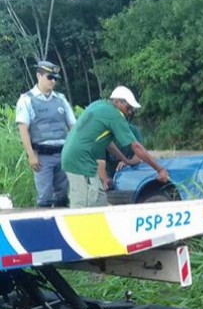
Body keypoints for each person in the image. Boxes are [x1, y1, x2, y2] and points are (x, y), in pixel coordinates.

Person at [61, 86, 169, 208]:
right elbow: (136, 146)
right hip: (80, 160)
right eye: (128, 107)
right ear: (117, 101)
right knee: (85, 204)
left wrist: (125, 160)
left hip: (75, 156)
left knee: (100, 200)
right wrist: (159, 169)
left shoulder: (98, 105)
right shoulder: (115, 115)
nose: (130, 112)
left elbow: (107, 143)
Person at [15, 60, 77, 208]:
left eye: (55, 78)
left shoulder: (60, 99)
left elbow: (73, 126)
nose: (53, 81)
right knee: (44, 197)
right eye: (50, 77)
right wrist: (31, 155)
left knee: (63, 195)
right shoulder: (26, 100)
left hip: (63, 154)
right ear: (39, 76)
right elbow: (23, 129)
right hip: (42, 157)